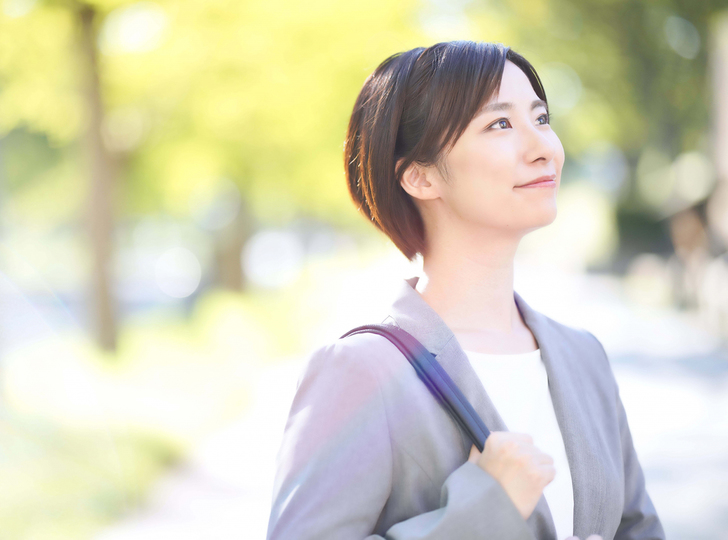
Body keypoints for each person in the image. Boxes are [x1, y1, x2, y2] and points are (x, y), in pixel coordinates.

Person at [266, 40, 665, 540]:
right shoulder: (362, 371)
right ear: (420, 176)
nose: (544, 147)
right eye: (500, 124)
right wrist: (483, 509)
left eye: (541, 119)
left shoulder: (582, 357)